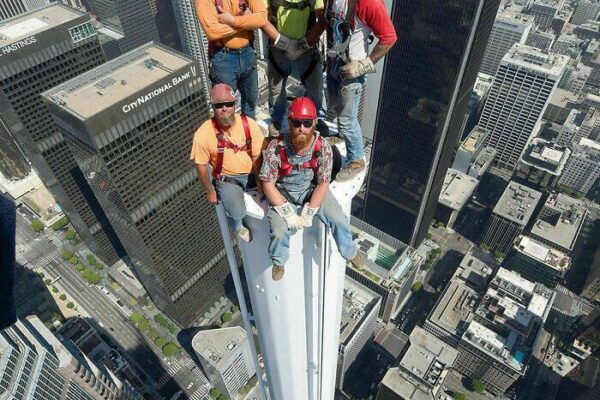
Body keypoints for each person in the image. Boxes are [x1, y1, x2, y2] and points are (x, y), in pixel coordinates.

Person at [260, 97, 364, 280]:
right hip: (284, 193)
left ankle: (350, 252)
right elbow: (267, 183)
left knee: (338, 218)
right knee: (278, 230)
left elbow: (323, 182)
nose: (302, 128)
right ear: (290, 122)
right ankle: (279, 261)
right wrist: (285, 211)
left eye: (307, 123)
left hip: (312, 190)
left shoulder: (322, 147)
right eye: (297, 123)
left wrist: (309, 211)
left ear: (314, 123)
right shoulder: (277, 148)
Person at [325, 0, 397, 181]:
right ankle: (342, 136)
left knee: (347, 119)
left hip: (352, 68)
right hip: (335, 61)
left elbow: (389, 37)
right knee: (335, 106)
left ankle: (356, 160)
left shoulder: (369, 2)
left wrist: (364, 65)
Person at [191, 84, 266, 242]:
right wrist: (210, 191)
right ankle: (238, 226)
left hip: (253, 171)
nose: (224, 108)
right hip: (228, 178)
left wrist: (260, 181)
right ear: (213, 107)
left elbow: (258, 156)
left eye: (228, 104)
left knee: (274, 190)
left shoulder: (248, 124)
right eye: (219, 105)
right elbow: (201, 167)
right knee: (237, 212)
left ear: (234, 104)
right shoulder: (203, 134)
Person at [258, 0, 328, 137]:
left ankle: (318, 119)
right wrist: (285, 44)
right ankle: (277, 119)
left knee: (315, 87)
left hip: (306, 45)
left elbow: (323, 19)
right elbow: (262, 19)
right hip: (278, 46)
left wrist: (306, 44)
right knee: (276, 88)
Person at [196, 0, 268, 118]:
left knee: (251, 99)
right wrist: (246, 21)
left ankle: (248, 129)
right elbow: (212, 31)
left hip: (247, 52)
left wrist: (232, 21)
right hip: (223, 58)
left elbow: (262, 18)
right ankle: (228, 135)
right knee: (224, 108)